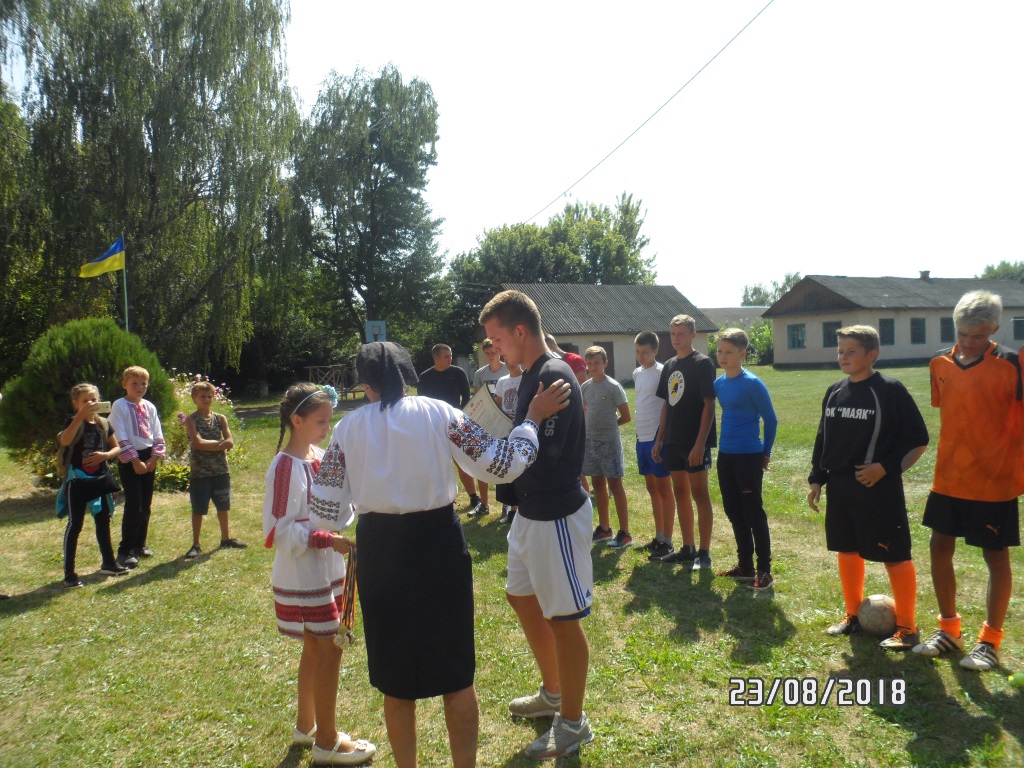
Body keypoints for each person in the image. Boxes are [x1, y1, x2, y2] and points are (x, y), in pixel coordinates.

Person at [309, 342, 571, 768]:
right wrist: (532, 420)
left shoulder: (347, 429)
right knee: (456, 678)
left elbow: (327, 512)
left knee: (397, 683)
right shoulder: (439, 412)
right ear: (408, 374)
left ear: (365, 383)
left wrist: (368, 495)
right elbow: (501, 465)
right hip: (437, 546)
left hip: (381, 550)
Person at [481, 291, 596, 760]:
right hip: (529, 514)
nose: (494, 349)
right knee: (520, 596)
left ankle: (573, 723)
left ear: (520, 332)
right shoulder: (528, 375)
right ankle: (553, 692)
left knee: (564, 619)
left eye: (497, 339)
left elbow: (542, 459)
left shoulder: (552, 375)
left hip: (555, 515)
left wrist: (505, 451)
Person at [262, 382, 376, 765]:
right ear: (297, 420)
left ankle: (306, 725)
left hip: (325, 568)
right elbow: (279, 530)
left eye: (330, 420)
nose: (328, 428)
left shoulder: (318, 455)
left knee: (316, 647)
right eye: (321, 421)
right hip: (303, 572)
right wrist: (330, 540)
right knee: (328, 649)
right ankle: (326, 742)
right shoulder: (284, 467)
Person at [913, 291, 1024, 669]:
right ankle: (949, 629)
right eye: (963, 333)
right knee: (939, 546)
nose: (969, 341)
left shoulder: (1013, 364)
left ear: (995, 328)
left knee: (995, 556)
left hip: (995, 480)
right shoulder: (939, 363)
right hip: (948, 477)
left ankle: (990, 642)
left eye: (979, 335)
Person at [808, 325, 928, 650]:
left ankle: (907, 627)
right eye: (840, 351)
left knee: (895, 555)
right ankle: (852, 616)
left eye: (851, 351)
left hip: (878, 490)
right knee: (847, 550)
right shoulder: (834, 391)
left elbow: (918, 439)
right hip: (841, 487)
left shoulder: (889, 390)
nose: (843, 357)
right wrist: (817, 478)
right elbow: (823, 438)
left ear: (871, 355)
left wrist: (885, 469)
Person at [714, 329, 778, 591]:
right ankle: (744, 567)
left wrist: (765, 452)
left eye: (729, 352)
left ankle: (765, 570)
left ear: (742, 354)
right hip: (725, 454)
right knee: (733, 510)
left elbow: (771, 419)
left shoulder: (752, 383)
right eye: (719, 351)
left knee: (753, 512)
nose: (723, 356)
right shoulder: (718, 384)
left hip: (749, 456)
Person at [652, 315, 717, 571]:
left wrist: (700, 444)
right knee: (680, 493)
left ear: (692, 334)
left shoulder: (702, 364)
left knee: (700, 494)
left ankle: (704, 552)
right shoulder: (668, 365)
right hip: (672, 441)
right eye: (673, 334)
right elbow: (667, 403)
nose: (676, 338)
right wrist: (659, 439)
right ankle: (687, 548)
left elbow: (709, 404)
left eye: (681, 333)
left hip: (694, 442)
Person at [58, 383, 129, 587]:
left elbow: (116, 448)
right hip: (78, 481)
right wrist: (80, 416)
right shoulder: (73, 422)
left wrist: (105, 455)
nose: (91, 403)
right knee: (75, 525)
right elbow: (65, 441)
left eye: (94, 399)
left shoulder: (104, 423)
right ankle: (69, 573)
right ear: (75, 403)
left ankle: (109, 562)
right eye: (85, 400)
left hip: (100, 479)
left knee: (103, 521)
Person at [110, 365, 165, 569]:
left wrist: (153, 458)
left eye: (143, 383)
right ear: (125, 384)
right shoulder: (120, 405)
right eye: (134, 383)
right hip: (130, 459)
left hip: (147, 457)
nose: (139, 387)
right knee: (134, 504)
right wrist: (134, 460)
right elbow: (119, 434)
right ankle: (126, 550)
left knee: (146, 503)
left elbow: (157, 432)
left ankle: (140, 544)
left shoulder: (149, 406)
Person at [184, 381, 246, 559]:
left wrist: (208, 445)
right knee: (198, 509)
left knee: (223, 505)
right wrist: (220, 445)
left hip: (221, 471)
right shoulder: (191, 420)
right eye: (202, 396)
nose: (206, 399)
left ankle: (225, 538)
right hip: (200, 473)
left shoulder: (220, 418)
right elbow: (197, 443)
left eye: (209, 396)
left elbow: (230, 442)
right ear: (195, 398)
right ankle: (196, 544)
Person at [417, 343, 482, 513]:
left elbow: (466, 397)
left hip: (456, 425)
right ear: (436, 358)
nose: (450, 359)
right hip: (434, 427)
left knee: (463, 462)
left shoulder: (457, 373)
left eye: (451, 355)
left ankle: (474, 497)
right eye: (446, 356)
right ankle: (443, 499)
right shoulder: (425, 377)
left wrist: (458, 416)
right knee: (439, 464)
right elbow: (421, 404)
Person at [630, 331, 675, 560]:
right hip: (641, 438)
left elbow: (666, 406)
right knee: (652, 488)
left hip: (657, 440)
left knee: (664, 489)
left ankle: (668, 541)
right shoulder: (637, 373)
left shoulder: (661, 372)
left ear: (655, 351)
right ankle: (658, 537)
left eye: (644, 352)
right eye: (637, 352)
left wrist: (659, 439)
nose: (640, 356)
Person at [582, 346, 632, 548]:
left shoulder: (613, 387)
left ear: (605, 363)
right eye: (590, 363)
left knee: (615, 486)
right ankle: (604, 529)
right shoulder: (585, 387)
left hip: (609, 442)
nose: (593, 367)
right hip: (590, 443)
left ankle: (625, 533)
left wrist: (610, 429)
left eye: (597, 362)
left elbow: (626, 416)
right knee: (598, 486)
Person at [544, 332, 591, 495]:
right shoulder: (548, 364)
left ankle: (596, 488)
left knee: (580, 452)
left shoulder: (574, 360)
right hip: (558, 415)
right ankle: (585, 489)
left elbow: (582, 388)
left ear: (550, 346)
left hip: (578, 413)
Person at [469, 338, 508, 517]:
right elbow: (478, 399)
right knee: (482, 461)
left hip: (504, 422)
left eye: (494, 352)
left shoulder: (508, 369)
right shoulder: (480, 373)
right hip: (485, 423)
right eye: (488, 353)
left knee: (503, 462)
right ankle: (484, 504)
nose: (491, 355)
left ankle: (507, 503)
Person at [493, 359, 525, 525]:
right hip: (505, 431)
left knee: (522, 470)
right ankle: (512, 510)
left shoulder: (526, 378)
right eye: (508, 361)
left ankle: (521, 510)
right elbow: (498, 406)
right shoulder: (502, 381)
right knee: (508, 470)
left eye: (515, 360)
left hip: (522, 429)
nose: (512, 363)